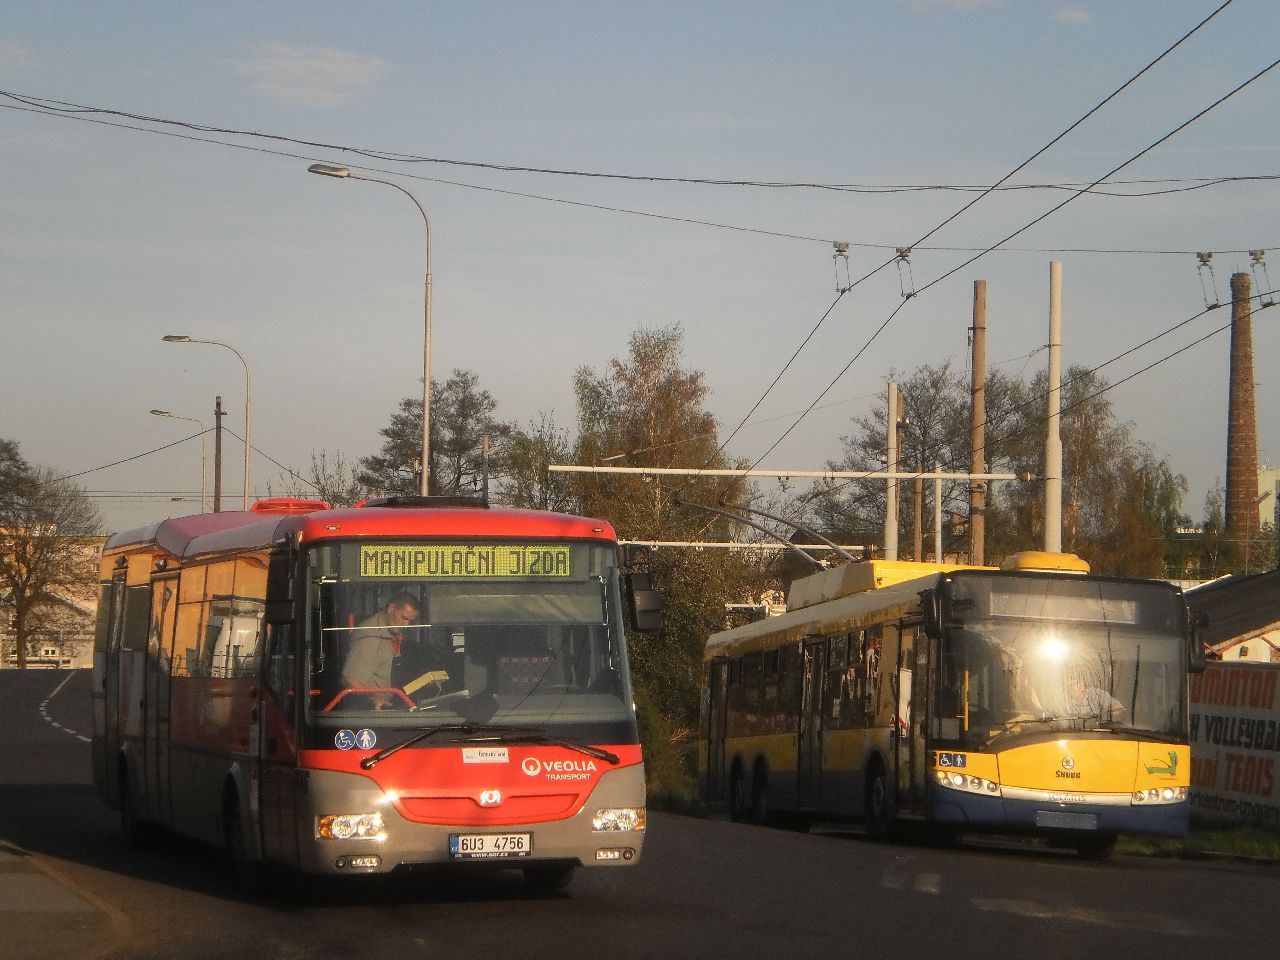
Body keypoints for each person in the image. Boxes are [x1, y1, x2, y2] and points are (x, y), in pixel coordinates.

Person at [341, 593, 420, 709]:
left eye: (410, 621)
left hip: (391, 703)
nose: (406, 625)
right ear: (391, 608)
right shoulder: (369, 637)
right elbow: (350, 679)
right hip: (369, 711)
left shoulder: (392, 632)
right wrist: (372, 699)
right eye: (403, 618)